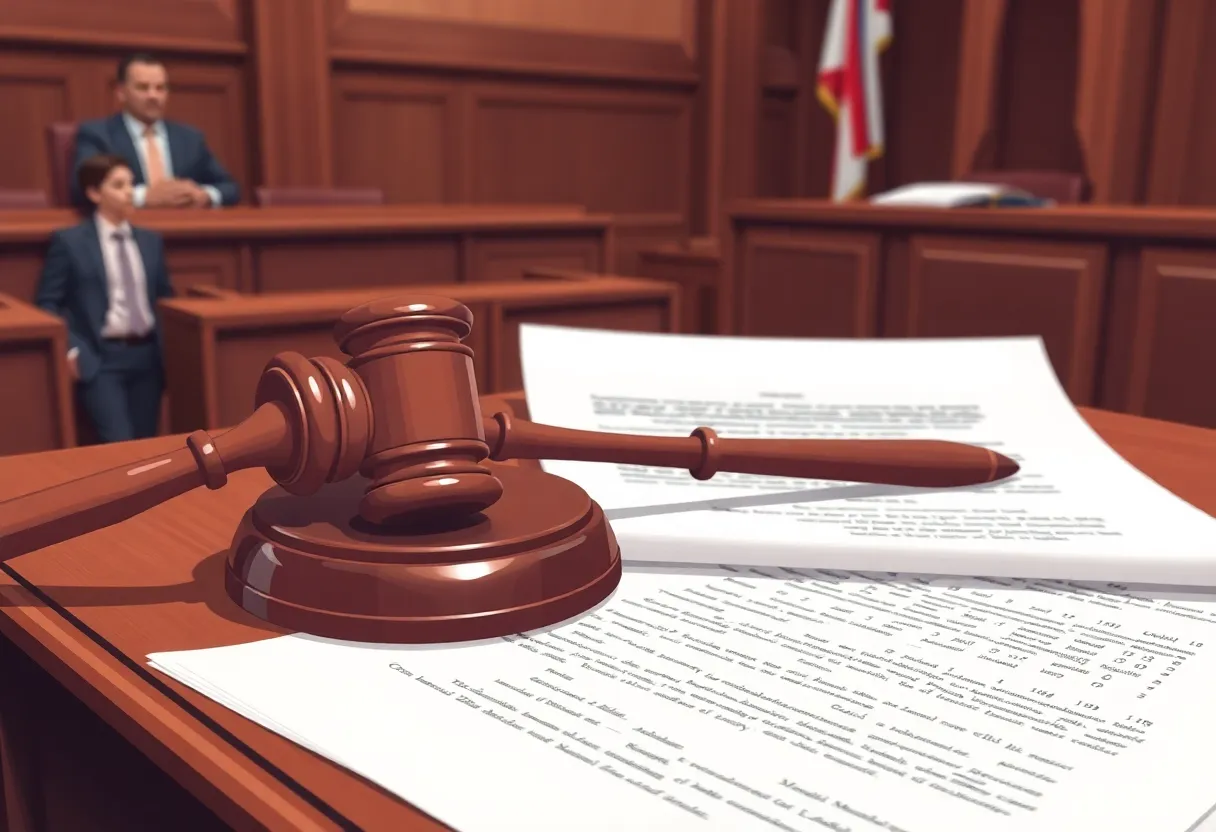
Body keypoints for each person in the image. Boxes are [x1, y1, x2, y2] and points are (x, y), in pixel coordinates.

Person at [36, 154, 174, 443]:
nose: (128, 192)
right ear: (94, 193)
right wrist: (72, 350)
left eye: (131, 184)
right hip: (100, 360)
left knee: (147, 445)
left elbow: (164, 297)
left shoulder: (151, 241)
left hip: (148, 358)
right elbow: (47, 302)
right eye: (118, 185)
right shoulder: (70, 242)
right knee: (119, 444)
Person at [70, 52, 240, 210]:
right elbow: (83, 190)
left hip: (185, 230)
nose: (154, 96)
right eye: (143, 88)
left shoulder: (190, 138)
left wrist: (205, 195)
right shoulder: (98, 135)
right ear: (121, 93)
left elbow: (230, 188)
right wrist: (143, 196)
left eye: (160, 88)